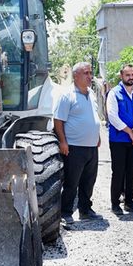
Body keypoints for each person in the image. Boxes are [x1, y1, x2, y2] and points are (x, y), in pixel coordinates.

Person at [53, 62, 102, 224]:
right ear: (75, 76)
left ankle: (85, 209)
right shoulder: (67, 95)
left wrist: (98, 136)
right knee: (71, 182)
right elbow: (58, 120)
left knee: (89, 181)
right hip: (74, 147)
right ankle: (66, 212)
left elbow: (93, 117)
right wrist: (62, 142)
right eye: (86, 73)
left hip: (91, 147)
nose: (90, 76)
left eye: (90, 73)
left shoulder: (92, 94)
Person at [106, 64, 133, 215]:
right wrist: (130, 133)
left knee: (132, 172)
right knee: (118, 172)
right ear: (121, 76)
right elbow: (112, 116)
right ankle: (115, 204)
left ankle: (129, 202)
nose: (131, 77)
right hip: (119, 140)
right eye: (128, 75)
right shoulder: (114, 93)